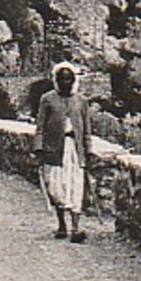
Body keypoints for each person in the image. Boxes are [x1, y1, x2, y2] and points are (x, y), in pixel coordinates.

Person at [33, 61, 91, 243]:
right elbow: (40, 127)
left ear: (74, 80)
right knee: (56, 187)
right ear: (56, 80)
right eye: (62, 79)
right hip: (54, 150)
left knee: (75, 186)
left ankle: (75, 228)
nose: (66, 82)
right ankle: (61, 225)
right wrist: (39, 149)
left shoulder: (81, 101)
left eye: (69, 79)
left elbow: (87, 129)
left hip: (75, 149)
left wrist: (88, 150)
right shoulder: (47, 99)